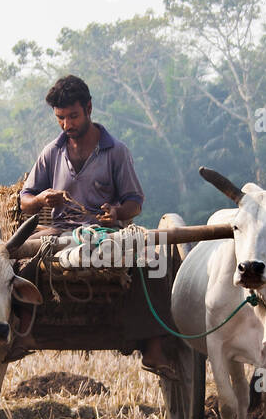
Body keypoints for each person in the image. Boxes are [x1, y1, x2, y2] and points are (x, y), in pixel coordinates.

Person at [19, 76, 178, 378]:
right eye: (60, 118)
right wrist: (41, 198)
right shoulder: (51, 152)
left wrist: (117, 211)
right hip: (59, 232)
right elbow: (24, 200)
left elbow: (135, 202)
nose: (67, 124)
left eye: (73, 116)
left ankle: (153, 346)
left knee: (154, 261)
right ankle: (23, 331)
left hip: (106, 235)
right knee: (20, 259)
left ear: (89, 108)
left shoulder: (116, 151)